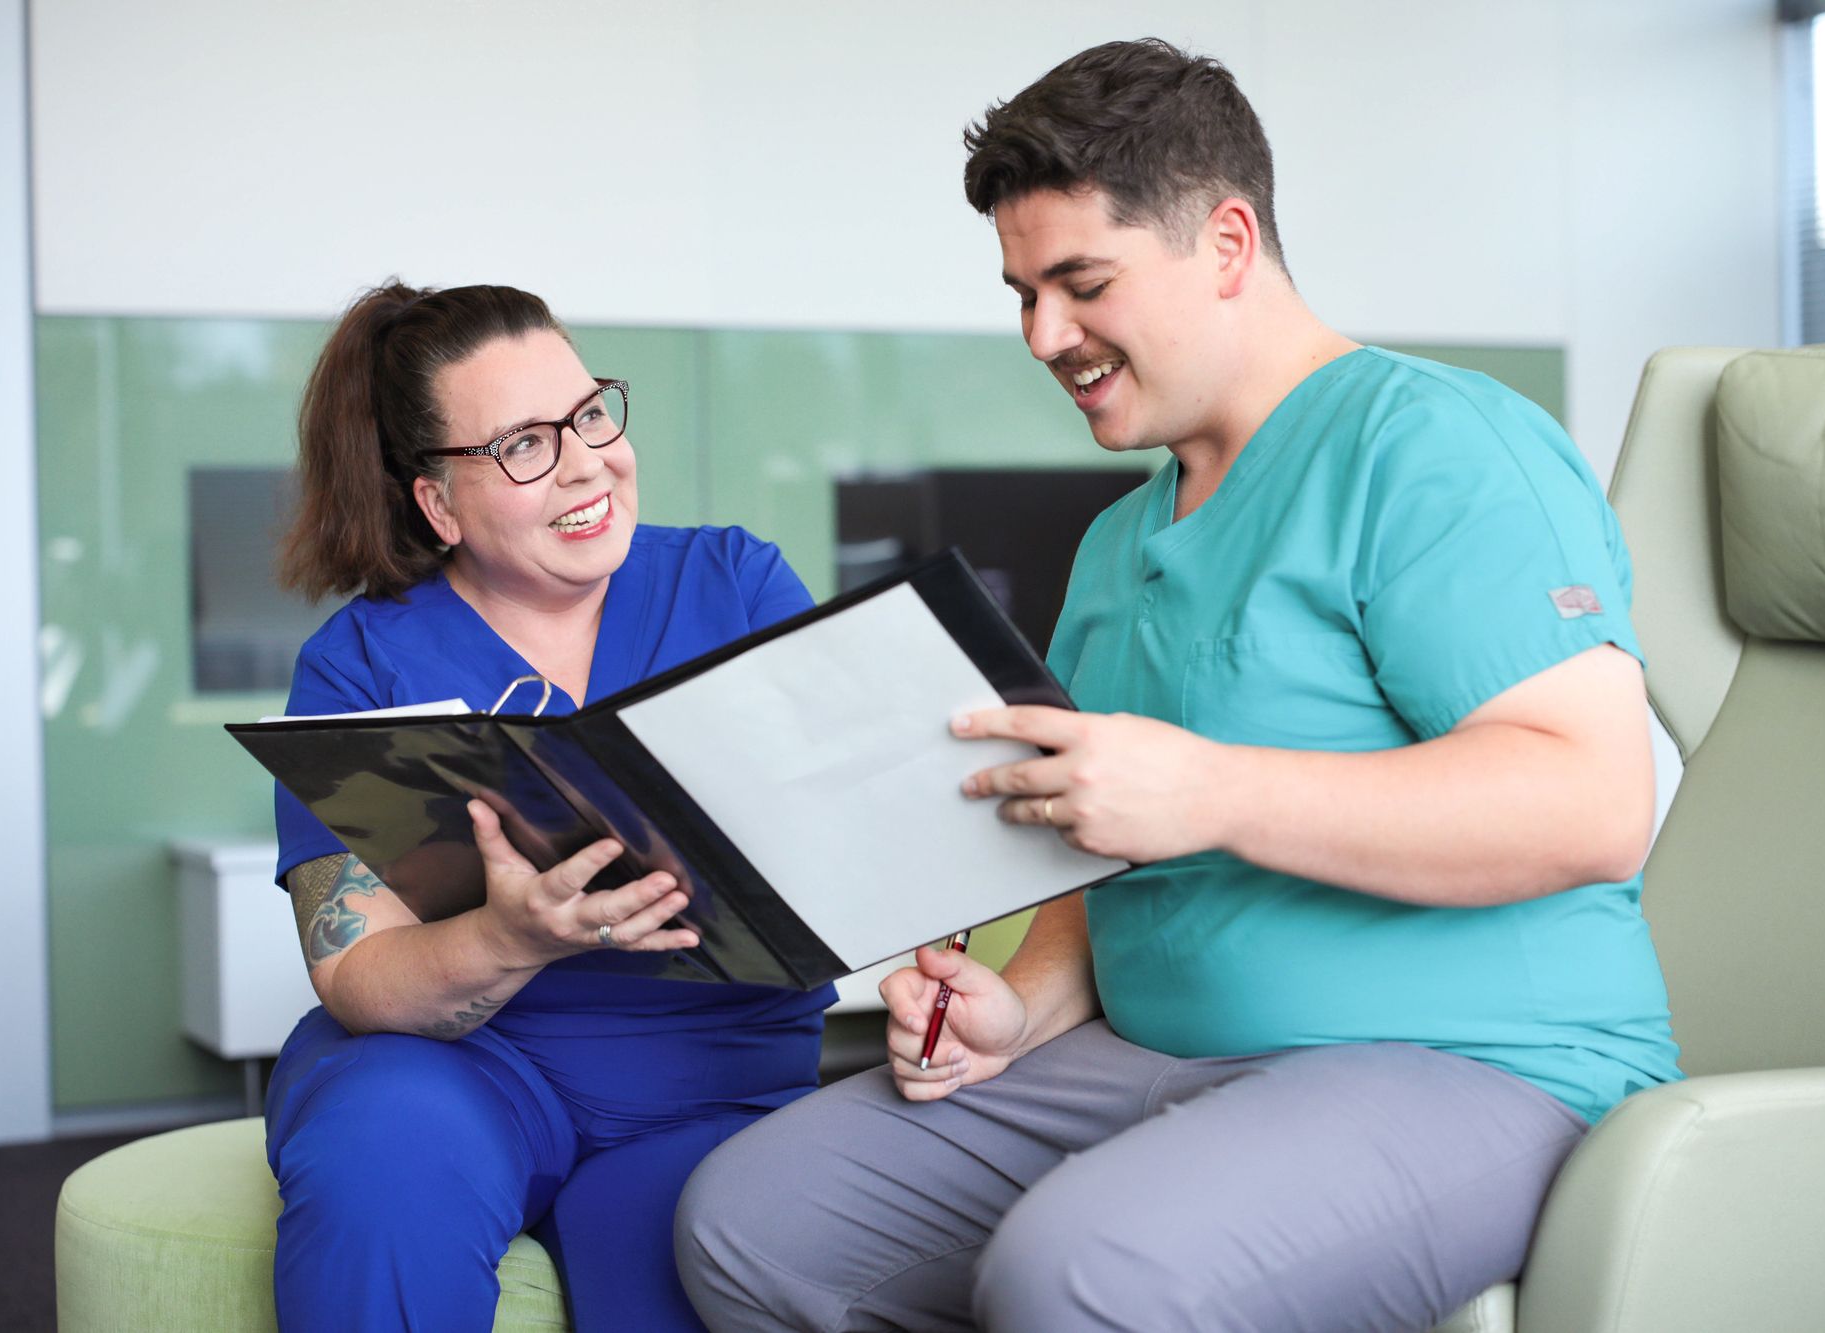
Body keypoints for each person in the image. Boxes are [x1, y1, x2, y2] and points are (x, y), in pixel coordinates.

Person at [675, 39, 1680, 1333]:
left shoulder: (1438, 448)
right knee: (758, 1223)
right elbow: (1105, 875)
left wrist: (1209, 789)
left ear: (1224, 241)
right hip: (1160, 1056)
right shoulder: (1115, 543)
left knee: (1084, 1272)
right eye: (1023, 293)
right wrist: (1017, 1006)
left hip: (1481, 1063)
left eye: (1080, 283)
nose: (1045, 335)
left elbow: (1588, 803)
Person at [265, 280, 833, 1332]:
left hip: (717, 1075)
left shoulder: (736, 586)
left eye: (588, 415)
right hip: (472, 1062)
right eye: (524, 443)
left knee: (667, 1252)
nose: (586, 463)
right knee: (382, 1160)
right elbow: (355, 969)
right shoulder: (360, 665)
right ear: (438, 501)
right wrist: (506, 936)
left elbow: (842, 833)